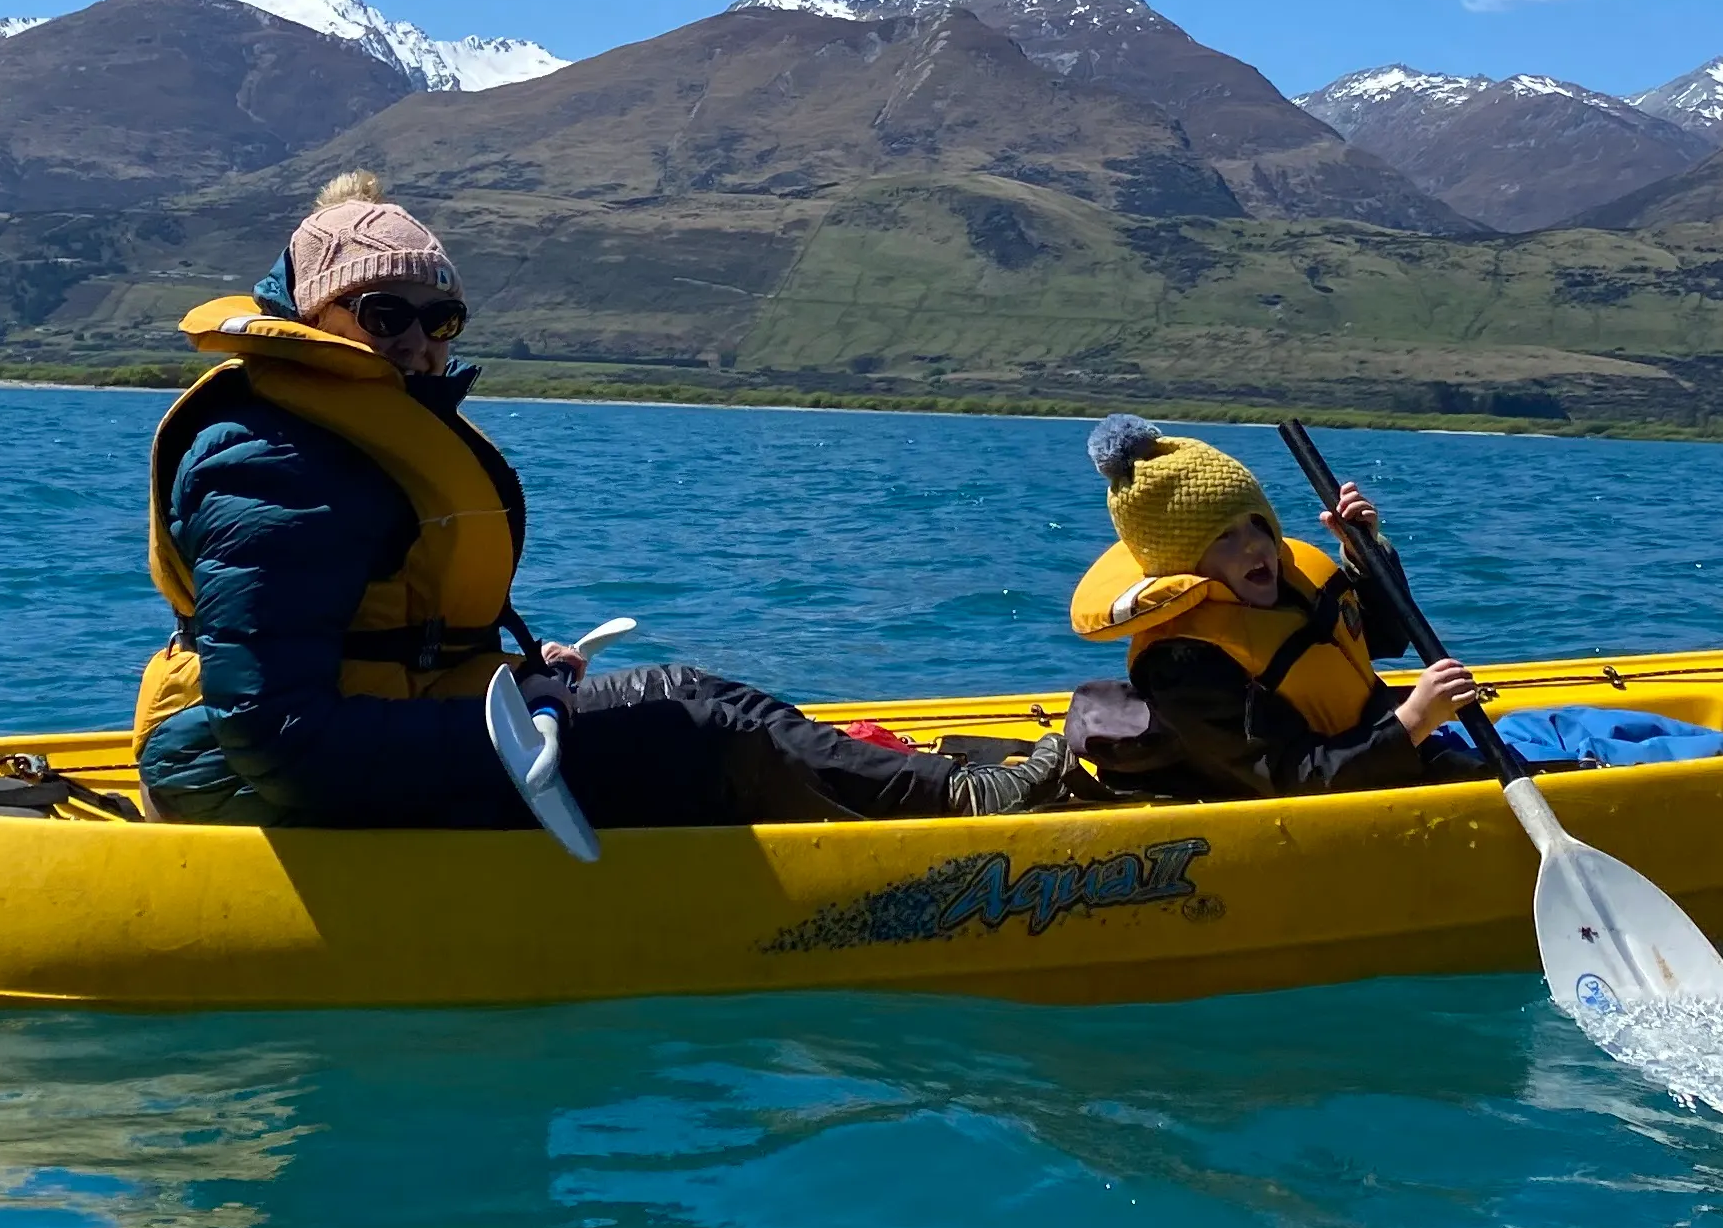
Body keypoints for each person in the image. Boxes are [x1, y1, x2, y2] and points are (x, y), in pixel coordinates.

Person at [130, 172, 1069, 830]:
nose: (419, 342)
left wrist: (514, 674)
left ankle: (923, 787)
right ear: (315, 314)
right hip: (247, 778)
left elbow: (378, 640)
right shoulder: (275, 462)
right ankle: (952, 812)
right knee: (696, 720)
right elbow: (282, 736)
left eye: (440, 319)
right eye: (385, 315)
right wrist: (508, 719)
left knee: (683, 698)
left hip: (336, 744)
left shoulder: (342, 436)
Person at [1063, 417, 1723, 800]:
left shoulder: (1283, 576)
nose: (1255, 547)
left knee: (1576, 723)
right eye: (1224, 540)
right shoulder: (1186, 662)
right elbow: (1299, 779)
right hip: (1364, 780)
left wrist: (1368, 554)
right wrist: (1414, 720)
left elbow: (1380, 637)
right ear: (1181, 567)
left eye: (1256, 524)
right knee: (1575, 764)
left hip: (1395, 743)